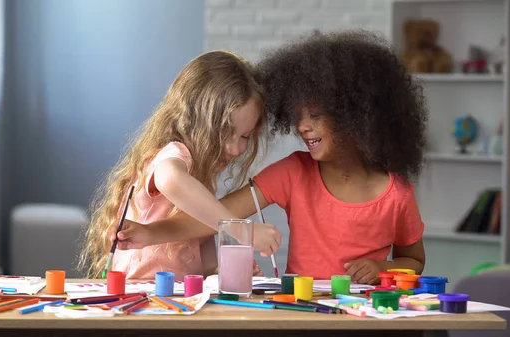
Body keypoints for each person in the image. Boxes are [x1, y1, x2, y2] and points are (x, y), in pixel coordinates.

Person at [111, 30, 428, 285]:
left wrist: (382, 267)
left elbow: (413, 260)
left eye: (315, 115)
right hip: (303, 313)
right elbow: (207, 221)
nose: (302, 127)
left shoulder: (397, 195)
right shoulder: (293, 172)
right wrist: (152, 233)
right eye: (297, 115)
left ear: (358, 116)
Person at [77, 50, 282, 280]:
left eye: (244, 136)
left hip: (179, 301)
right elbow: (170, 180)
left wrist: (222, 271)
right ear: (197, 122)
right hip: (142, 296)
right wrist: (243, 231)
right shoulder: (175, 154)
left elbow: (203, 259)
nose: (235, 149)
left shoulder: (201, 181)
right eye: (225, 133)